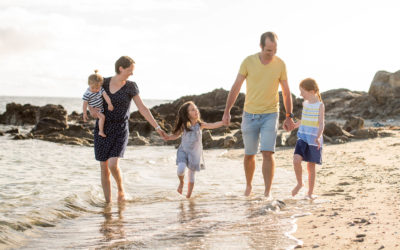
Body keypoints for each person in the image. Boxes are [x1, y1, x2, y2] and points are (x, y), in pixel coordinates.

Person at [222, 31, 295, 198]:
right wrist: (227, 111)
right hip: (250, 115)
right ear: (261, 47)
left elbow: (286, 91)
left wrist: (289, 115)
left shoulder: (281, 64)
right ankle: (248, 186)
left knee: (268, 152)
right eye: (269, 50)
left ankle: (267, 192)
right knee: (249, 154)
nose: (272, 54)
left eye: (275, 50)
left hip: (271, 113)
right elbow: (236, 87)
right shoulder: (248, 62)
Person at [89, 56, 167, 203]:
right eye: (130, 70)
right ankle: (108, 205)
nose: (132, 73)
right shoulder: (103, 82)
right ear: (121, 69)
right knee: (103, 167)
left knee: (112, 164)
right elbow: (89, 97)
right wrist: (91, 109)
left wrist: (157, 127)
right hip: (102, 129)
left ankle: (120, 188)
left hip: (120, 129)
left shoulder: (131, 86)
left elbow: (142, 108)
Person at [166, 101, 224, 198]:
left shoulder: (200, 125)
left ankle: (188, 197)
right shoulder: (184, 126)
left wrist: (223, 122)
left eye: (196, 108)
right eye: (192, 110)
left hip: (194, 154)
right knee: (180, 169)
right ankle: (181, 182)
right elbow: (175, 135)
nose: (196, 110)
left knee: (191, 176)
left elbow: (213, 125)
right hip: (183, 151)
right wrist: (168, 137)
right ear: (187, 114)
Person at [291, 78, 325, 199]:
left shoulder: (320, 105)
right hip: (303, 137)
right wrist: (296, 124)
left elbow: (321, 123)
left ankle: (310, 193)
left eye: (302, 92)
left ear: (311, 91)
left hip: (314, 139)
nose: (300, 94)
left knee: (311, 167)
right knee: (296, 160)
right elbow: (304, 120)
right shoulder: (305, 104)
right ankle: (300, 183)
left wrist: (319, 136)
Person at [82, 70, 114, 137]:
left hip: (100, 109)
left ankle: (100, 130)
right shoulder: (87, 93)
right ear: (89, 84)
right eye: (93, 88)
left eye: (97, 88)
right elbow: (85, 104)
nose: (95, 90)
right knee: (102, 117)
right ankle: (101, 131)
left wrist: (109, 104)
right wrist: (84, 113)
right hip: (94, 108)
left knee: (101, 118)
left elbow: (106, 96)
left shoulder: (101, 89)